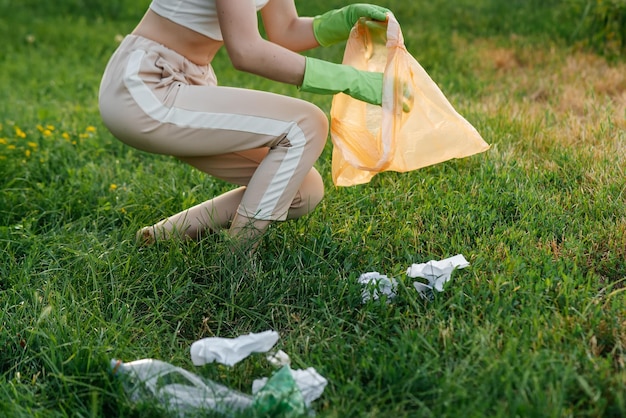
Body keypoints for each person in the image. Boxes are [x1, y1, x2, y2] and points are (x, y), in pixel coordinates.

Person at [98, 1, 390, 255]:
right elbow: (246, 51)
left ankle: (163, 236)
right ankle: (236, 262)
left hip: (186, 82)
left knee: (303, 190)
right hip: (147, 86)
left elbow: (285, 30)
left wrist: (344, 19)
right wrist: (348, 79)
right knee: (305, 125)